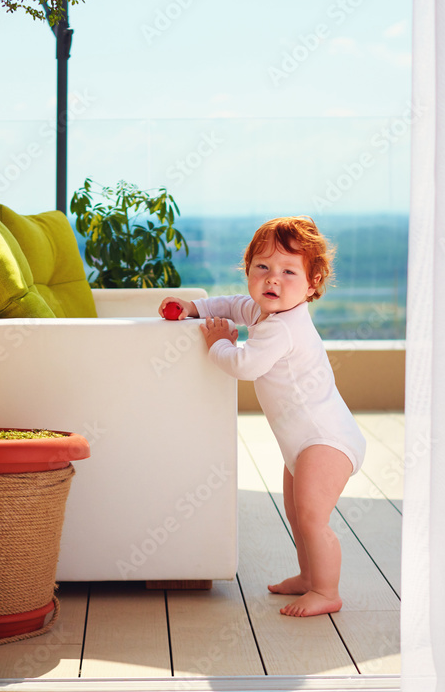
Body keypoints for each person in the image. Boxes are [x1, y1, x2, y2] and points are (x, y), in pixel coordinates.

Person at [158, 216, 366, 617]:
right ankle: (309, 577)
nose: (274, 279)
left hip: (325, 441)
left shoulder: (282, 328)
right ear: (248, 270)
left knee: (311, 517)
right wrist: (195, 308)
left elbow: (244, 366)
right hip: (304, 443)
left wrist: (218, 343)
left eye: (289, 271)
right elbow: (233, 305)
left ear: (312, 283)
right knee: (296, 514)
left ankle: (326, 591)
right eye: (263, 268)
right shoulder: (265, 312)